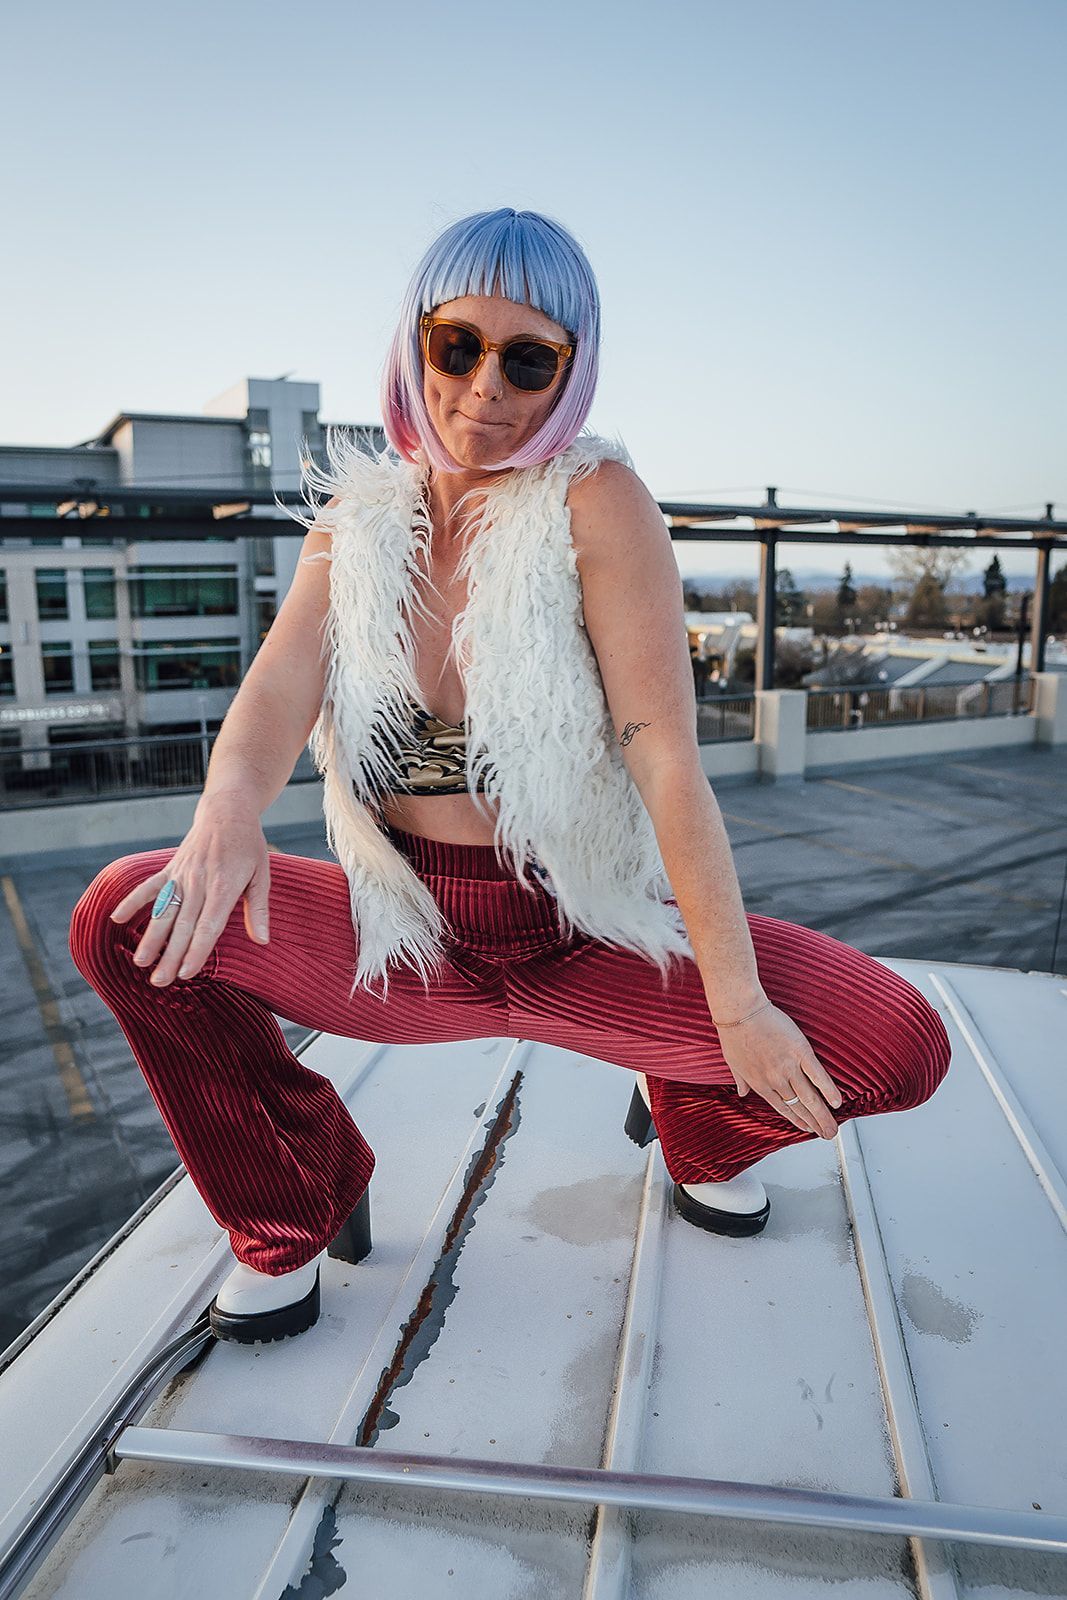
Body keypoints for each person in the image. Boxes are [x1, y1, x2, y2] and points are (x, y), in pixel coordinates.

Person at [68, 208, 952, 1347]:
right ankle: (297, 1187)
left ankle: (691, 1120)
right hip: (404, 936)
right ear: (413, 344)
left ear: (569, 375)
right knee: (125, 918)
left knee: (898, 1045)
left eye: (527, 357)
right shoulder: (357, 518)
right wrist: (226, 813)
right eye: (456, 345)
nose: (485, 385)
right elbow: (279, 692)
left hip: (584, 933)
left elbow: (664, 753)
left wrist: (734, 1008)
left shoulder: (597, 503)